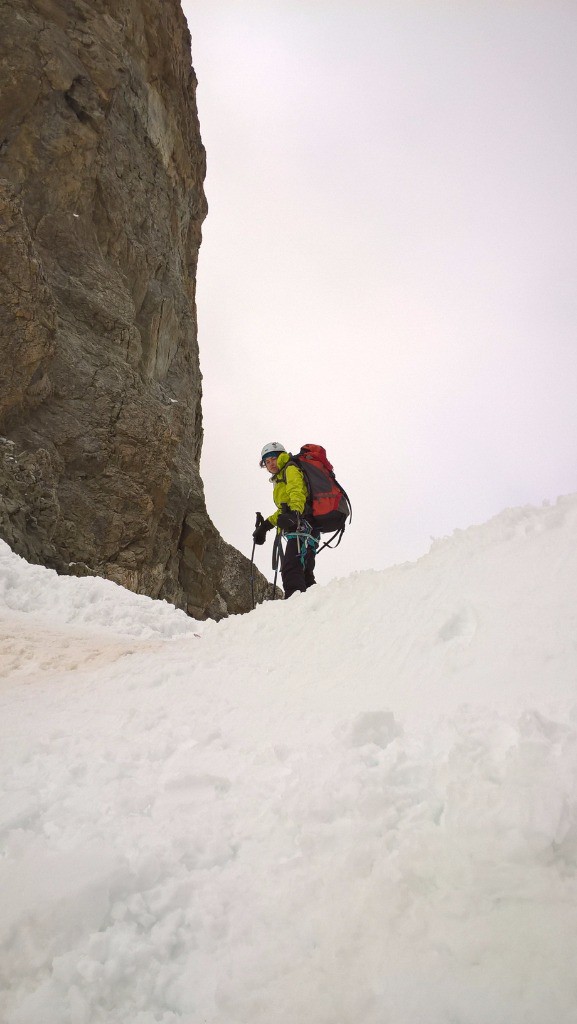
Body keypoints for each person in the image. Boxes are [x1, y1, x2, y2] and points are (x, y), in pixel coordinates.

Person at [253, 442, 319, 599]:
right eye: (267, 462)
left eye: (273, 459)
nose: (271, 464)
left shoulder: (290, 469)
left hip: (302, 526)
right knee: (303, 571)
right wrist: (265, 526)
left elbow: (297, 492)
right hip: (305, 527)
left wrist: (295, 514)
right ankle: (315, 606)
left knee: (291, 567)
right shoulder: (280, 478)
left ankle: (295, 604)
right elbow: (284, 509)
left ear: (281, 456)